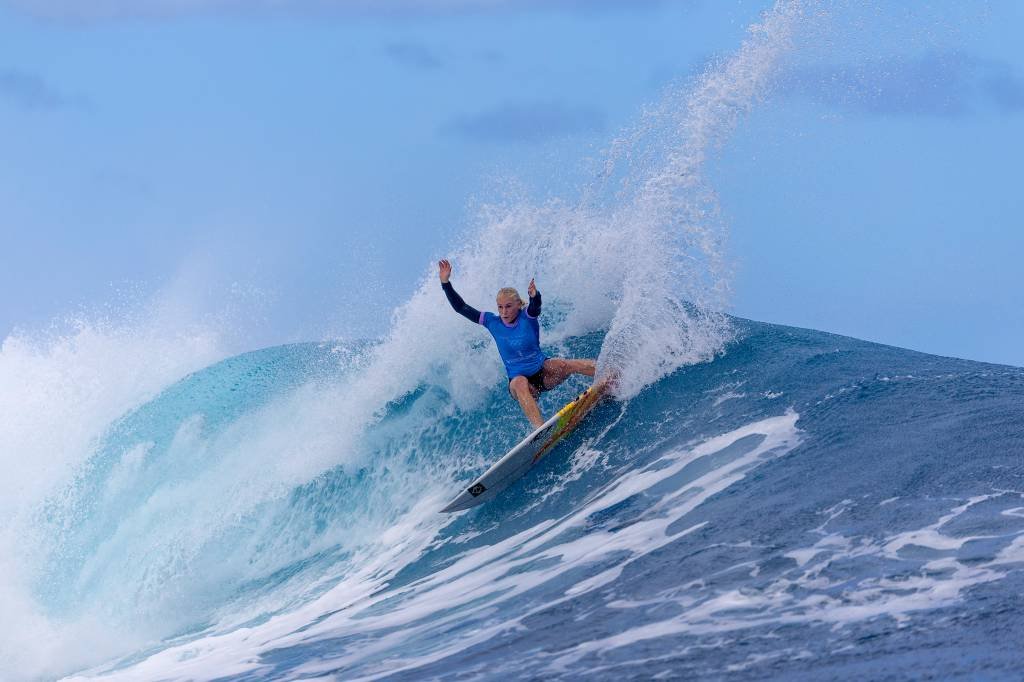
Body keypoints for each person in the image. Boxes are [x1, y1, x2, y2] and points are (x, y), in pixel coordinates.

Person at [438, 259, 596, 428]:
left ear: (518, 305)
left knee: (562, 363)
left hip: (544, 376)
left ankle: (607, 372)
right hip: (522, 386)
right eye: (500, 307)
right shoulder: (492, 322)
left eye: (508, 306)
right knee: (519, 382)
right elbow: (461, 307)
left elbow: (536, 307)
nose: (503, 311)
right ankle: (541, 431)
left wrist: (535, 296)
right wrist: (445, 283)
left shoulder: (527, 317)